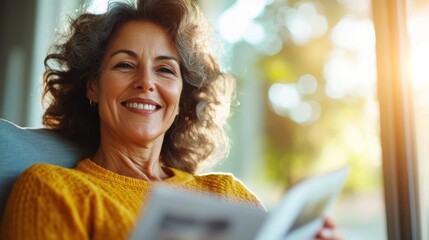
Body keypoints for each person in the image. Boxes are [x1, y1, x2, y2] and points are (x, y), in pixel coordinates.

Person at [0, 0, 339, 239]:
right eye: (124, 64)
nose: (146, 82)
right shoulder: (52, 190)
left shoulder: (226, 194)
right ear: (92, 86)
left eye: (165, 69)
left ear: (180, 99)